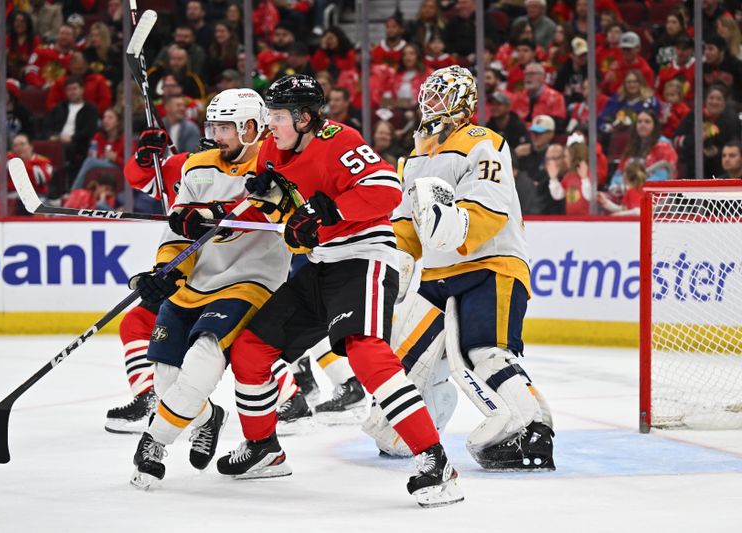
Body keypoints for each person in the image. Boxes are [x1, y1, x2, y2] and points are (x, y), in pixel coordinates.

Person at [216, 74, 464, 508]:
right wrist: (260, 198)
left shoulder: (340, 140)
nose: (269, 125)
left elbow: (386, 190)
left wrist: (332, 208)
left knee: (365, 352)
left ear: (305, 118)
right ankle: (264, 449)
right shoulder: (273, 149)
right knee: (250, 351)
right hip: (319, 262)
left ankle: (434, 459)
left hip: (363, 257)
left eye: (277, 117)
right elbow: (282, 205)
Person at [363, 65, 555, 472]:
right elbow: (405, 221)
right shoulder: (414, 156)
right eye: (430, 94)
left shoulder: (483, 141)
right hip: (436, 275)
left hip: (491, 265)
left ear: (465, 103)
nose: (433, 102)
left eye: (444, 95)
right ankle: (411, 430)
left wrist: (452, 225)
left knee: (485, 352)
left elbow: (490, 205)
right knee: (405, 359)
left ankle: (531, 427)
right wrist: (398, 257)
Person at [129, 89, 294, 488]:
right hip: (199, 282)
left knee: (203, 362)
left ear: (251, 128)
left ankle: (153, 443)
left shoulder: (276, 164)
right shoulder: (198, 167)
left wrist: (221, 212)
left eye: (226, 127)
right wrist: (167, 271)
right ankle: (207, 417)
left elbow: (281, 211)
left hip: (251, 281)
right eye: (214, 126)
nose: (217, 135)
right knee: (168, 381)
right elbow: (179, 229)